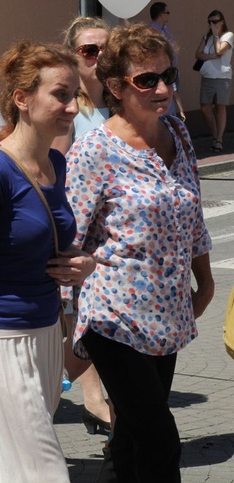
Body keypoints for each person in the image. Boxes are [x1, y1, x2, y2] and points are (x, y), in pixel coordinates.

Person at [66, 24, 214, 482]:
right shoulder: (94, 150)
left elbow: (191, 211)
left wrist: (204, 280)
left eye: (168, 75)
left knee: (131, 435)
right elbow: (69, 236)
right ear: (114, 87)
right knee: (159, 437)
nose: (164, 88)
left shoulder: (178, 133)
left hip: (168, 312)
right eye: (146, 80)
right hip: (113, 315)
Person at [0, 40, 94, 483]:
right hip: (3, 341)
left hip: (48, 334)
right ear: (22, 99)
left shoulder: (55, 162)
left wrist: (81, 265)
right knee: (43, 471)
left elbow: (47, 244)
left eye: (75, 94)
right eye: (61, 94)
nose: (72, 107)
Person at [53, 16, 113, 437]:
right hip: (79, 239)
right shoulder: (72, 110)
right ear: (75, 56)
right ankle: (93, 400)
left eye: (107, 48)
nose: (100, 57)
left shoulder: (125, 99)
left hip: (115, 244)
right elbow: (53, 175)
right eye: (90, 50)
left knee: (92, 329)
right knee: (80, 326)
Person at [196, 9, 233, 153]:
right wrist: (210, 57)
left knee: (220, 107)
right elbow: (198, 54)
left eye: (215, 21)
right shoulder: (206, 37)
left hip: (223, 77)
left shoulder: (228, 36)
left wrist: (217, 35)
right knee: (205, 107)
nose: (212, 24)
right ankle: (215, 134)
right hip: (208, 76)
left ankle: (219, 139)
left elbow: (220, 51)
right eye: (210, 22)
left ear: (222, 21)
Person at [149, 2, 185, 119]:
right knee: (167, 99)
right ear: (161, 14)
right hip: (163, 73)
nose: (168, 15)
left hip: (171, 71)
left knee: (172, 98)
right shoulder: (153, 31)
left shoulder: (165, 29)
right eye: (167, 12)